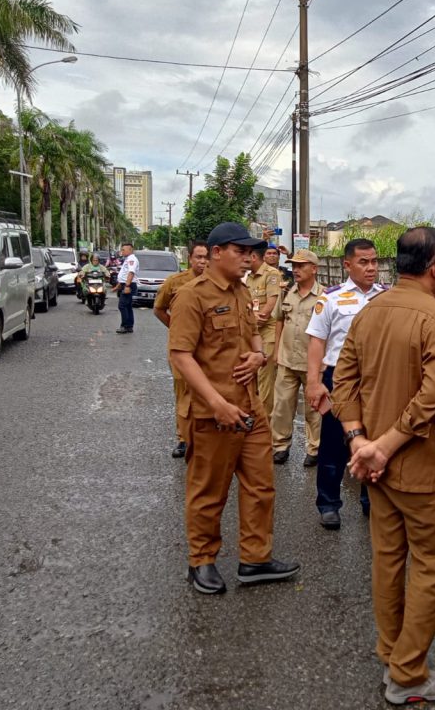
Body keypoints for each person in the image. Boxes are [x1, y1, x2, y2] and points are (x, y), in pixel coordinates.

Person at [333, 226, 435, 705]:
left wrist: (358, 440)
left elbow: (341, 379)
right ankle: (408, 676)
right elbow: (432, 395)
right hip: (420, 467)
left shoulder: (370, 311)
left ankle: (391, 650)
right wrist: (381, 446)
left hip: (375, 470)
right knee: (429, 564)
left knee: (388, 558)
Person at [168, 221, 300, 595]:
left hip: (250, 409)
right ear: (216, 253)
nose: (248, 258)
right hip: (215, 415)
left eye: (251, 253)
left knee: (261, 487)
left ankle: (255, 559)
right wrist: (216, 403)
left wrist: (259, 356)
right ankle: (202, 561)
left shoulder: (242, 291)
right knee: (209, 492)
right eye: (241, 252)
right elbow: (181, 355)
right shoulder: (192, 296)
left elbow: (253, 332)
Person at [305, 238, 387, 530]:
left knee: (374, 438)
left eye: (374, 261)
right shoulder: (331, 298)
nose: (371, 268)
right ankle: (328, 503)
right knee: (333, 443)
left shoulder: (386, 297)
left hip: (377, 380)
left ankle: (370, 499)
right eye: (363, 262)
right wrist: (313, 383)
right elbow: (317, 342)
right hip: (339, 378)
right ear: (347, 264)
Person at [154, 241, 210, 458]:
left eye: (206, 257)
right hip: (181, 349)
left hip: (207, 349)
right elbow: (158, 309)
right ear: (190, 259)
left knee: (206, 391)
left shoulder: (215, 283)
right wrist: (178, 330)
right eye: (198, 257)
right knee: (184, 393)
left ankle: (204, 436)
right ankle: (184, 439)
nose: (203, 262)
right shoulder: (175, 282)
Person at [270, 248, 324, 466]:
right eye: (294, 265)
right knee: (282, 406)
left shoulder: (325, 296)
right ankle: (280, 446)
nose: (296, 270)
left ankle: (315, 448)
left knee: (314, 409)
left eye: (301, 265)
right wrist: (275, 352)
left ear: (314, 269)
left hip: (313, 364)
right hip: (287, 359)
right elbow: (279, 320)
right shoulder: (287, 293)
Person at [246, 244, 282, 414]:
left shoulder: (271, 274)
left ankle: (265, 421)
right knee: (251, 376)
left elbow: (270, 304)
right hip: (252, 332)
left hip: (267, 332)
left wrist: (257, 319)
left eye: (247, 255)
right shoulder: (249, 277)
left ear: (254, 257)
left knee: (265, 379)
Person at [112, 241, 138, 333]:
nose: (121, 251)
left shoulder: (132, 259)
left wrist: (127, 286)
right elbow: (124, 274)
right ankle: (129, 326)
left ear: (130, 250)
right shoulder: (127, 259)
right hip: (126, 284)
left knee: (122, 306)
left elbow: (131, 273)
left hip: (129, 285)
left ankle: (124, 326)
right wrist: (118, 286)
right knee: (128, 306)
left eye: (123, 250)